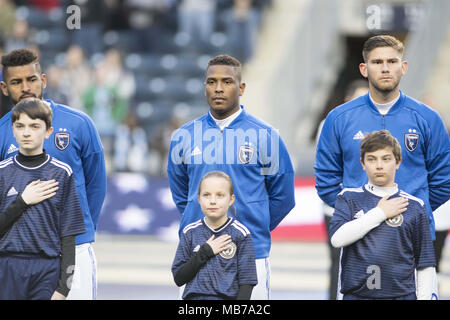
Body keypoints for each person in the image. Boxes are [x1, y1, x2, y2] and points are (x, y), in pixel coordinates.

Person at [167, 54, 295, 299]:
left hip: (250, 255)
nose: (218, 88)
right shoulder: (183, 136)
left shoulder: (266, 136)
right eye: (211, 82)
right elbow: (182, 194)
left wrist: (248, 230)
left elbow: (283, 198)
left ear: (241, 87)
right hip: (197, 253)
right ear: (204, 85)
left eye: (227, 82)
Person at [315, 35, 450, 246]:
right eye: (377, 62)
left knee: (421, 280)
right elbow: (325, 179)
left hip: (412, 237)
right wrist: (357, 216)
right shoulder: (338, 118)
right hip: (359, 239)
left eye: (392, 62)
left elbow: (444, 179)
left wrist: (412, 214)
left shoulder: (428, 118)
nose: (385, 68)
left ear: (403, 67)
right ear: (364, 69)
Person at [0, 48, 107, 300]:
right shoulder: (2, 132)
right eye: (17, 82)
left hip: (76, 246)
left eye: (31, 79)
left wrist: (81, 230)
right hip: (20, 254)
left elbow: (96, 184)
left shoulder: (79, 123)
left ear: (44, 80)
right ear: (4, 88)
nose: (26, 87)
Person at [330, 129, 437, 300]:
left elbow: (425, 264)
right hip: (357, 295)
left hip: (401, 296)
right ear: (363, 163)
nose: (379, 165)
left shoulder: (415, 206)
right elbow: (337, 239)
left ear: (398, 162)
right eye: (371, 159)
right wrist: (380, 213)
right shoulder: (349, 198)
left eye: (386, 159)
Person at [0, 97, 85, 300]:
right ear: (13, 129)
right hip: (8, 267)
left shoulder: (62, 173)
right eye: (20, 126)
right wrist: (22, 201)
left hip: (46, 269)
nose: (26, 132)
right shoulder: (2, 173)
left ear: (48, 131)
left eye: (34, 126)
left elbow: (68, 235)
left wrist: (64, 288)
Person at [316, 79, 369, 300]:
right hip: (337, 208)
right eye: (358, 99)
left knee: (371, 265)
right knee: (338, 263)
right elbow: (325, 169)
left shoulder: (378, 124)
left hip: (372, 208)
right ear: (347, 99)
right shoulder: (331, 123)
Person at [172, 170, 258, 300]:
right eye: (206, 195)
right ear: (199, 199)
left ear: (231, 199)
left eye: (220, 195)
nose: (213, 201)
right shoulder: (189, 232)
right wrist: (205, 252)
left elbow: (247, 282)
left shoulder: (241, 234)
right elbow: (179, 278)